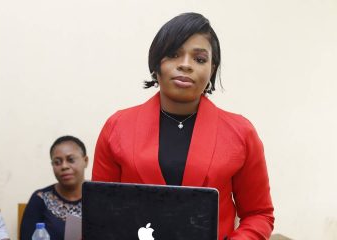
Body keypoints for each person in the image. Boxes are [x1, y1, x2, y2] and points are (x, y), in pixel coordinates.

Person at [92, 12, 274, 240]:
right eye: (173, 54)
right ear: (156, 63)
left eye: (199, 59)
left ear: (212, 69)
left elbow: (259, 213)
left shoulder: (240, 132)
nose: (186, 65)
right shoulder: (117, 127)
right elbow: (100, 212)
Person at [20, 136, 88, 240]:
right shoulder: (40, 199)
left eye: (71, 160)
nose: (64, 166)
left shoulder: (99, 198)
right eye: (57, 162)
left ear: (86, 161)